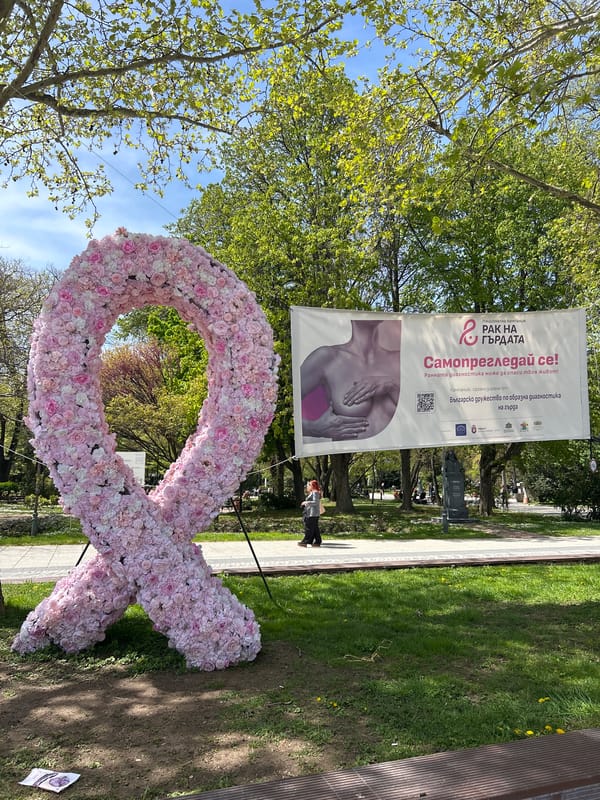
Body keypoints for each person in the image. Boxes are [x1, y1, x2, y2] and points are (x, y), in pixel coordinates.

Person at [300, 319, 401, 442]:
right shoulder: (328, 357)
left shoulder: (399, 359)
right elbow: (286, 403)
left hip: (395, 451)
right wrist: (314, 429)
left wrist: (392, 385)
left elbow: (419, 413)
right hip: (348, 453)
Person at [298, 479, 322, 547]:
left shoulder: (315, 492)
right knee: (314, 528)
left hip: (312, 513)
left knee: (309, 527)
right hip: (313, 513)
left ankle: (306, 541)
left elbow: (315, 502)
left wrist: (306, 502)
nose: (308, 486)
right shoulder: (314, 492)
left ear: (312, 485)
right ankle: (317, 541)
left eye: (309, 485)